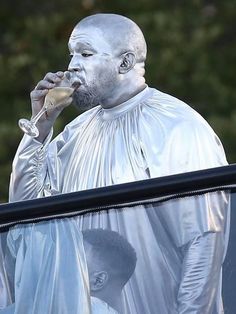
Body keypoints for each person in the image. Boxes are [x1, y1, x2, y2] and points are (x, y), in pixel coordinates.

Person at [3, 13, 229, 314]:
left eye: (85, 53)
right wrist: (41, 125)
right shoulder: (75, 133)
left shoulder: (178, 126)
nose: (71, 65)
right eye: (71, 54)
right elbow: (25, 219)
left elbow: (204, 241)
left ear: (124, 63)